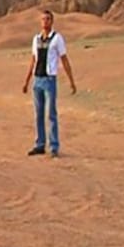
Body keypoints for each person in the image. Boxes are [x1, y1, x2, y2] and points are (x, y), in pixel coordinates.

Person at [22, 10, 77, 158]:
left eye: (48, 19)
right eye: (43, 19)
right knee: (38, 114)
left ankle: (54, 146)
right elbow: (33, 59)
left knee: (51, 114)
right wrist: (27, 81)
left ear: (52, 22)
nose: (45, 22)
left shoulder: (57, 39)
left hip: (49, 80)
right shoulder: (36, 39)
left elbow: (64, 59)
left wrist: (71, 80)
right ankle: (40, 144)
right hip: (37, 80)